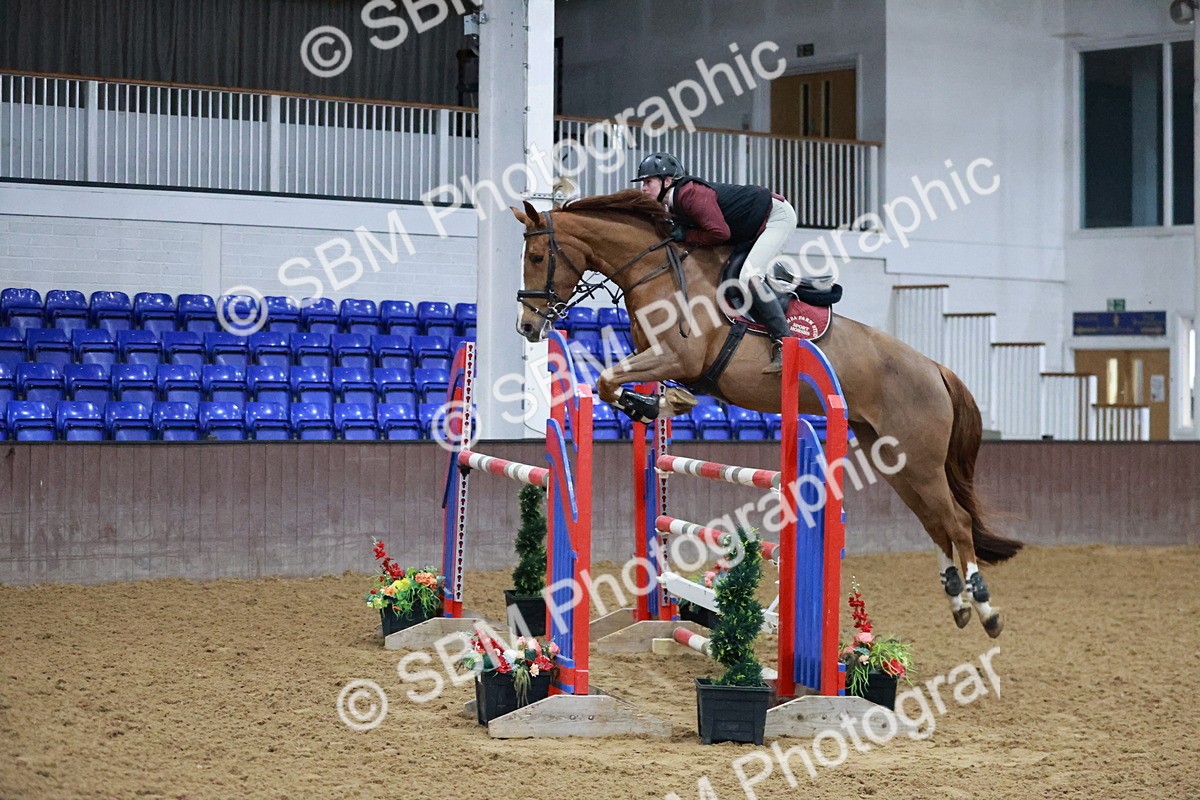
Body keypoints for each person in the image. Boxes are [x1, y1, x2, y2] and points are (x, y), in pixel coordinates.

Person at [630, 152, 798, 374]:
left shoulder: (689, 195)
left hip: (776, 217)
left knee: (749, 277)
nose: (643, 188)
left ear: (667, 181)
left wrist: (687, 235)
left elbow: (720, 233)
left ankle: (785, 344)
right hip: (747, 227)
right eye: (642, 183)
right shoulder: (670, 205)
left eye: (648, 182)